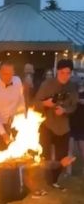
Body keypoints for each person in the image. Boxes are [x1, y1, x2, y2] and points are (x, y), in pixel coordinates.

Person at [34, 59, 78, 190]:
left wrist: (65, 110)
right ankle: (42, 180)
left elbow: (73, 106)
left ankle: (54, 180)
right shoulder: (47, 84)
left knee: (62, 157)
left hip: (63, 127)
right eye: (62, 73)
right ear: (57, 72)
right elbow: (35, 103)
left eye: (68, 73)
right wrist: (45, 103)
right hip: (47, 125)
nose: (65, 76)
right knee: (44, 155)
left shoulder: (72, 87)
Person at [0, 61, 26, 150]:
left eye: (10, 74)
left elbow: (21, 100)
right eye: (5, 74)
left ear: (14, 72)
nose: (8, 76)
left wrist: (24, 119)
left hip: (13, 124)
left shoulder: (18, 81)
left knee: (16, 155)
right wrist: (3, 133)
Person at [69, 78, 84, 176]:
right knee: (69, 149)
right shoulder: (72, 93)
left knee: (82, 149)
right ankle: (68, 172)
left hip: (82, 125)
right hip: (71, 124)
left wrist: (78, 100)